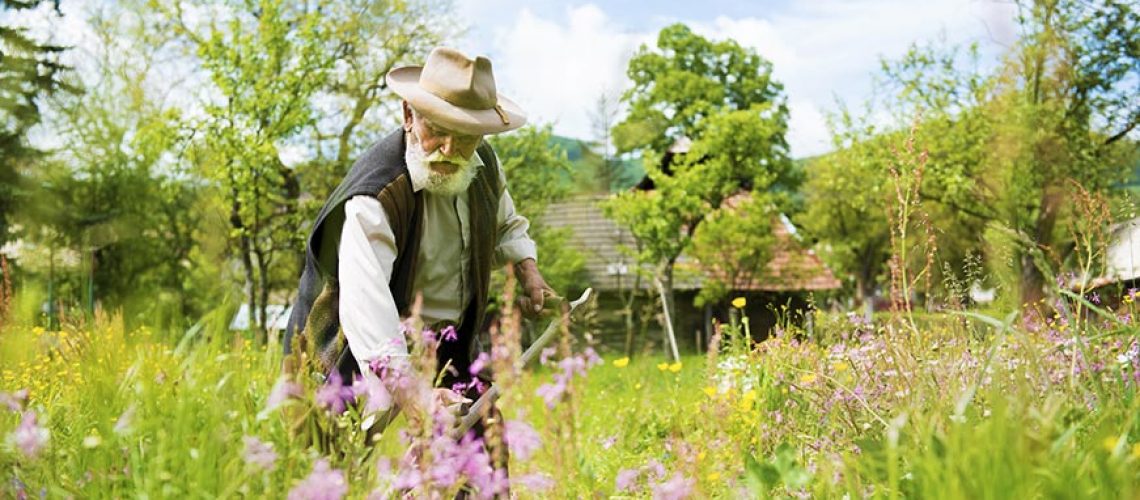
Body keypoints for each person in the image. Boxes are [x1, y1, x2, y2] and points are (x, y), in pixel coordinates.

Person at [283, 46, 552, 436]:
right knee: (341, 476)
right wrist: (414, 397)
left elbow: (506, 224)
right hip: (355, 357)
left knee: (479, 462)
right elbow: (366, 313)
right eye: (437, 130)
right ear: (409, 115)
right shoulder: (374, 197)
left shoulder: (484, 165)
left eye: (465, 137)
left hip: (449, 347)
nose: (449, 150)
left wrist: (529, 272)